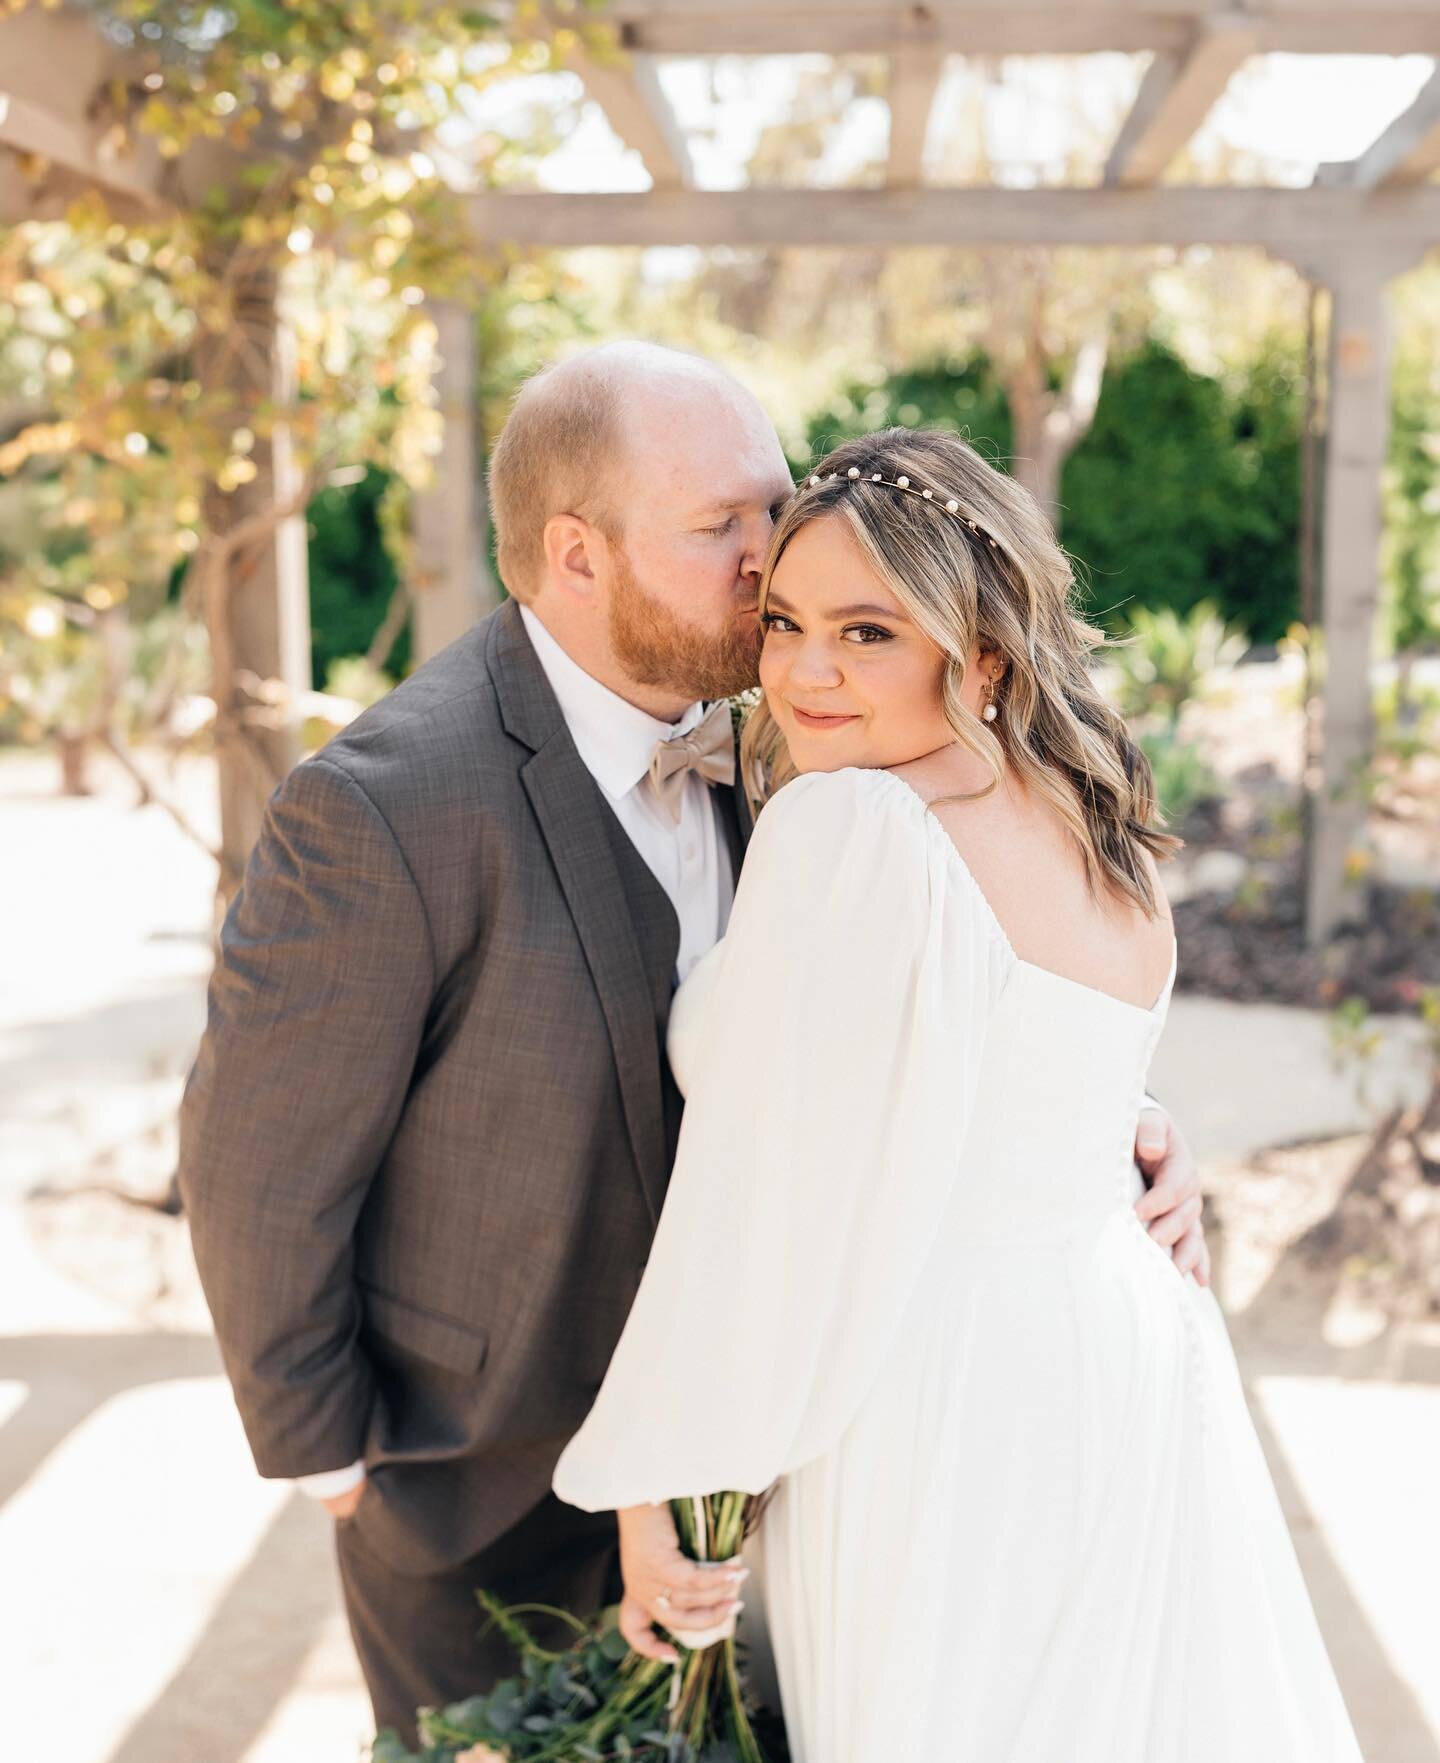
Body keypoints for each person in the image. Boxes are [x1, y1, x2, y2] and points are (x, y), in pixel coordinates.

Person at [177, 346, 1207, 1749]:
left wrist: (1109, 1122)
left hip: (772, 1468)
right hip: (482, 1485)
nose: (768, 557)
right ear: (576, 554)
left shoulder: (804, 740)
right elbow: (257, 1162)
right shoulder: (386, 809)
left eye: (769, 510)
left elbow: (910, 998)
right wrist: (339, 1466)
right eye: (722, 525)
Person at [552, 428, 1365, 1762]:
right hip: (1130, 1349)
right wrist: (1144, 1140)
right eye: (785, 623)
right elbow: (1049, 1072)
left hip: (941, 1397)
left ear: (977, 651)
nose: (805, 671)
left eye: (867, 633)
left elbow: (760, 1198)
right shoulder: (1091, 808)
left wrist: (657, 1484)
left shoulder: (856, 829)